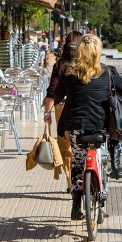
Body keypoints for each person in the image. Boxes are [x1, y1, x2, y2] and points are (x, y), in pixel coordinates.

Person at [52, 34, 122, 220]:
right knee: (102, 152)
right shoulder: (109, 72)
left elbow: (57, 96)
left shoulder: (68, 73)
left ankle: (76, 205)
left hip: (76, 126)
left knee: (78, 162)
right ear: (98, 51)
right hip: (101, 126)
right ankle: (109, 171)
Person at [44, 31, 83, 188]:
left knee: (66, 147)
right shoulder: (85, 64)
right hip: (82, 106)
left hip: (62, 109)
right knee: (82, 144)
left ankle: (70, 182)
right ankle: (83, 178)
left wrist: (47, 113)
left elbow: (52, 92)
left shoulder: (60, 65)